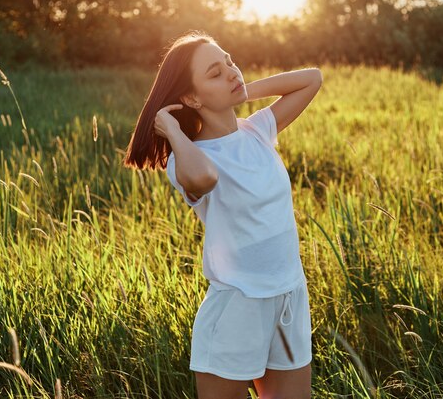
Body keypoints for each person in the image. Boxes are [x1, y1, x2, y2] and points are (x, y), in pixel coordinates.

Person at [122, 29, 323, 399]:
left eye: (229, 61)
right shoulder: (186, 159)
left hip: (289, 296)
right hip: (238, 305)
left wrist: (242, 90)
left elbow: (311, 79)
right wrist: (171, 129)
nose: (232, 71)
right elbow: (204, 177)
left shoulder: (259, 130)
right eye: (215, 73)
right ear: (191, 97)